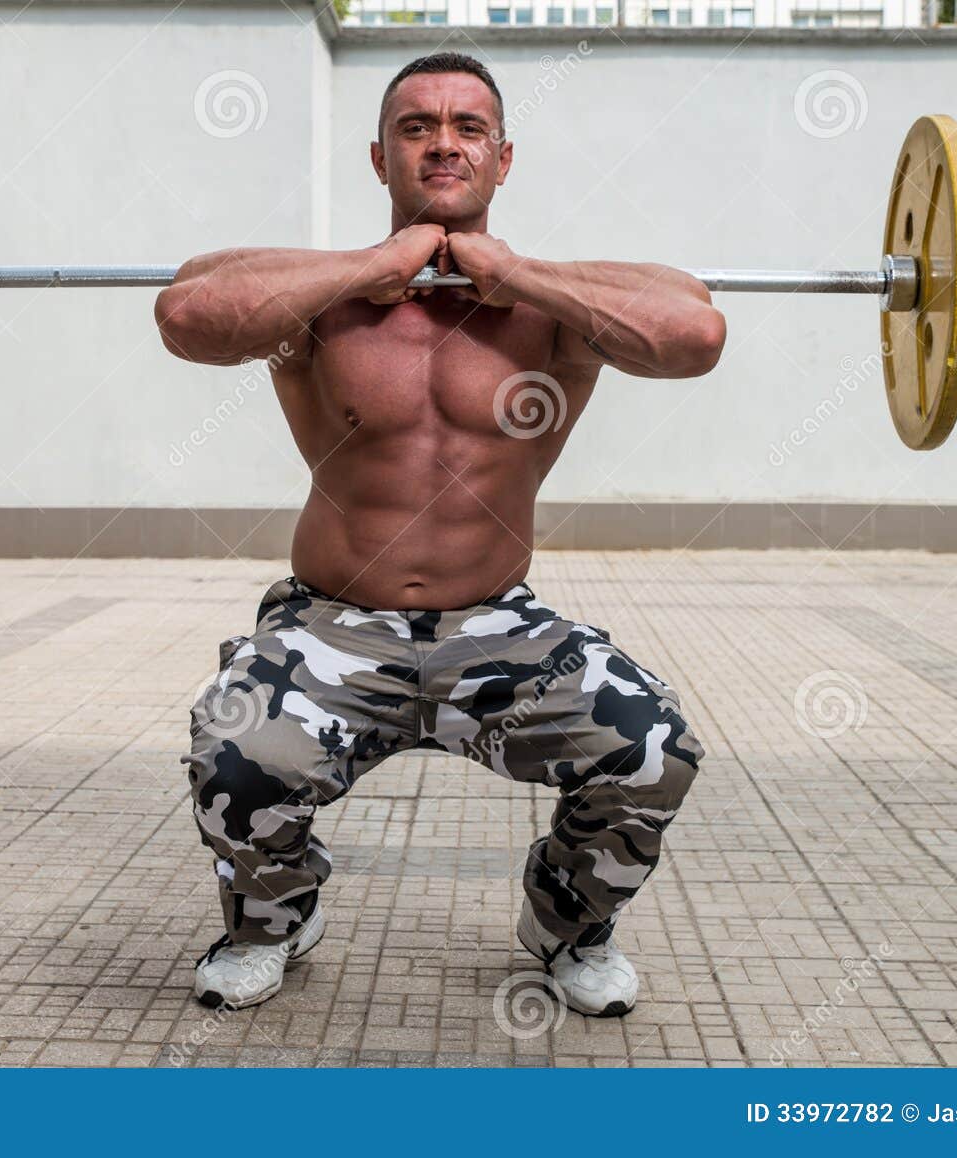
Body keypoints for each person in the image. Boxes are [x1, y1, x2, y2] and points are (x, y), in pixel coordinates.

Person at [155, 52, 723, 1017]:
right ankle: (273, 919)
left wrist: (519, 275)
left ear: (504, 158)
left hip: (497, 627)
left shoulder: (551, 313)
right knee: (236, 745)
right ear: (380, 158)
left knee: (651, 745)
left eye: (468, 127)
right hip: (330, 623)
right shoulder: (322, 302)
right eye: (418, 127)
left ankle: (567, 926)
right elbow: (185, 312)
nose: (444, 142)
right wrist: (382, 265)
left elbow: (694, 334)